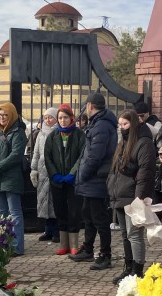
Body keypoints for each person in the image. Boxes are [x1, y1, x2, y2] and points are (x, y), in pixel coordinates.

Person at [107, 110, 158, 283]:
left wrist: (139, 197)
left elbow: (146, 172)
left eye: (125, 124)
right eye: (120, 125)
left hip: (133, 195)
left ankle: (137, 270)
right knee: (125, 234)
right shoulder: (124, 142)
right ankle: (128, 268)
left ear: (134, 124)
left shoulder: (144, 143)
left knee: (134, 234)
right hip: (121, 193)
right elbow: (115, 169)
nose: (122, 128)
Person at [72, 91, 118, 270]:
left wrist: (82, 175)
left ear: (90, 106)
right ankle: (88, 248)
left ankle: (105, 255)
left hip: (96, 179)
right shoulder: (98, 124)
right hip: (92, 180)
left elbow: (95, 156)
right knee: (88, 214)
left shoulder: (101, 126)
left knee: (99, 219)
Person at [0, 102, 28, 256]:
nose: (2, 118)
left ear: (12, 116)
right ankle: (3, 243)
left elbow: (16, 155)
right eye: (0, 115)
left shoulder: (18, 132)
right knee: (2, 213)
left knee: (14, 213)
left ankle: (16, 246)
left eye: (5, 115)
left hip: (11, 179)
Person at [44, 103, 86, 256]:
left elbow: (82, 156)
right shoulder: (52, 136)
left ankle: (74, 244)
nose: (62, 121)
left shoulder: (79, 135)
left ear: (71, 118)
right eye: (60, 118)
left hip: (73, 181)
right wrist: (54, 174)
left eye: (65, 117)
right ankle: (64, 243)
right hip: (57, 181)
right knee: (60, 210)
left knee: (74, 211)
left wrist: (72, 174)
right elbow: (47, 157)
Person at [30, 108, 59, 242]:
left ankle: (57, 232)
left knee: (54, 203)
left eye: (50, 117)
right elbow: (35, 153)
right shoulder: (41, 134)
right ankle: (48, 230)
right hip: (42, 172)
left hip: (54, 171)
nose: (48, 120)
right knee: (44, 203)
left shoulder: (59, 132)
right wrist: (34, 169)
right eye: (46, 118)